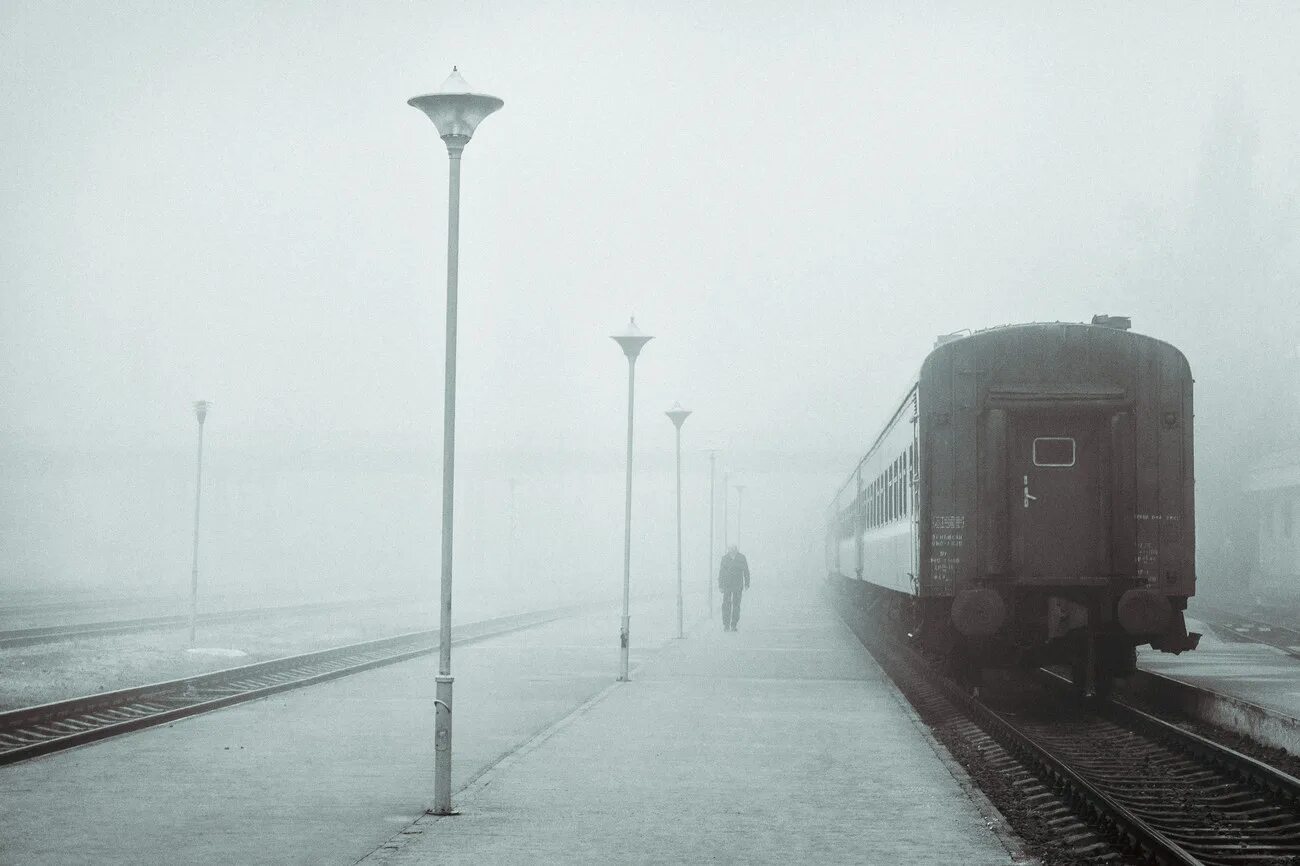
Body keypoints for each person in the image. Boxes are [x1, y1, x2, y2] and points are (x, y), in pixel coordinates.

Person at [718, 544, 750, 632]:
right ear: (728, 549)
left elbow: (746, 571)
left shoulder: (741, 558)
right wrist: (720, 585)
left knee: (736, 605)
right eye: (730, 548)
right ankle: (726, 625)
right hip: (727, 585)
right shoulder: (725, 558)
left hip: (737, 585)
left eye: (733, 548)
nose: (731, 550)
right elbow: (721, 572)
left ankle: (734, 624)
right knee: (726, 605)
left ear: (736, 549)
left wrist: (747, 583)